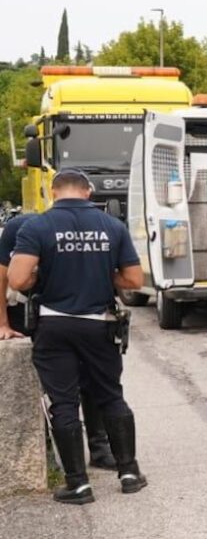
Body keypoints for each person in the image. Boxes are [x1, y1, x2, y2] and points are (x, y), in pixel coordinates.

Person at [7, 170, 148, 504]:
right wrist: (101, 272)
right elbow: (134, 280)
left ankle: (78, 484)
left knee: (64, 402)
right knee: (111, 395)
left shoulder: (36, 227)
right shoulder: (112, 226)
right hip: (99, 325)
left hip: (54, 327)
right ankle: (128, 472)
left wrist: (45, 276)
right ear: (88, 192)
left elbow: (17, 279)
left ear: (54, 193)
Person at [0, 208, 117, 470]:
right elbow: (2, 277)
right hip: (24, 308)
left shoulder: (89, 231)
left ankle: (99, 447)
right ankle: (47, 451)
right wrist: (3, 322)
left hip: (69, 308)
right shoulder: (19, 229)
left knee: (90, 376)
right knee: (46, 382)